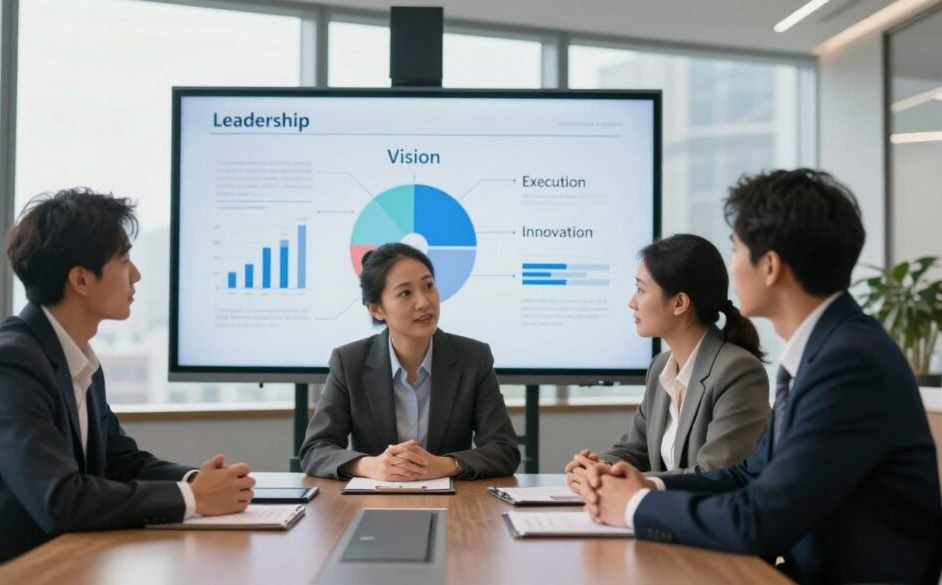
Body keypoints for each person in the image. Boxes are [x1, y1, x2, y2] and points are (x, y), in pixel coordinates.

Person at [582, 169, 942, 584]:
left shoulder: (849, 364)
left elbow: (759, 520)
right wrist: (650, 488)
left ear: (770, 265)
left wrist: (635, 506)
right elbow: (748, 475)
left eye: (736, 250)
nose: (732, 270)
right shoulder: (823, 351)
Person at [0, 189, 254, 580]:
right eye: (124, 260)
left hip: (56, 559)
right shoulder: (9, 364)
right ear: (81, 279)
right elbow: (61, 500)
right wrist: (194, 499)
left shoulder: (74, 358)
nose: (136, 275)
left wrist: (197, 481)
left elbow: (120, 462)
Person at [565, 234, 769, 492]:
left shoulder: (737, 371)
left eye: (640, 289)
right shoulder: (661, 368)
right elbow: (634, 450)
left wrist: (637, 484)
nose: (632, 302)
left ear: (680, 302)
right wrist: (600, 468)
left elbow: (717, 473)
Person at [300, 243, 520, 480]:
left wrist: (445, 465)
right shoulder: (349, 362)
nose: (424, 302)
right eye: (405, 293)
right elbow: (315, 450)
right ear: (376, 309)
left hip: (454, 504)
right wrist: (369, 466)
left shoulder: (473, 358)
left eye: (428, 286)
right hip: (373, 503)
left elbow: (504, 450)